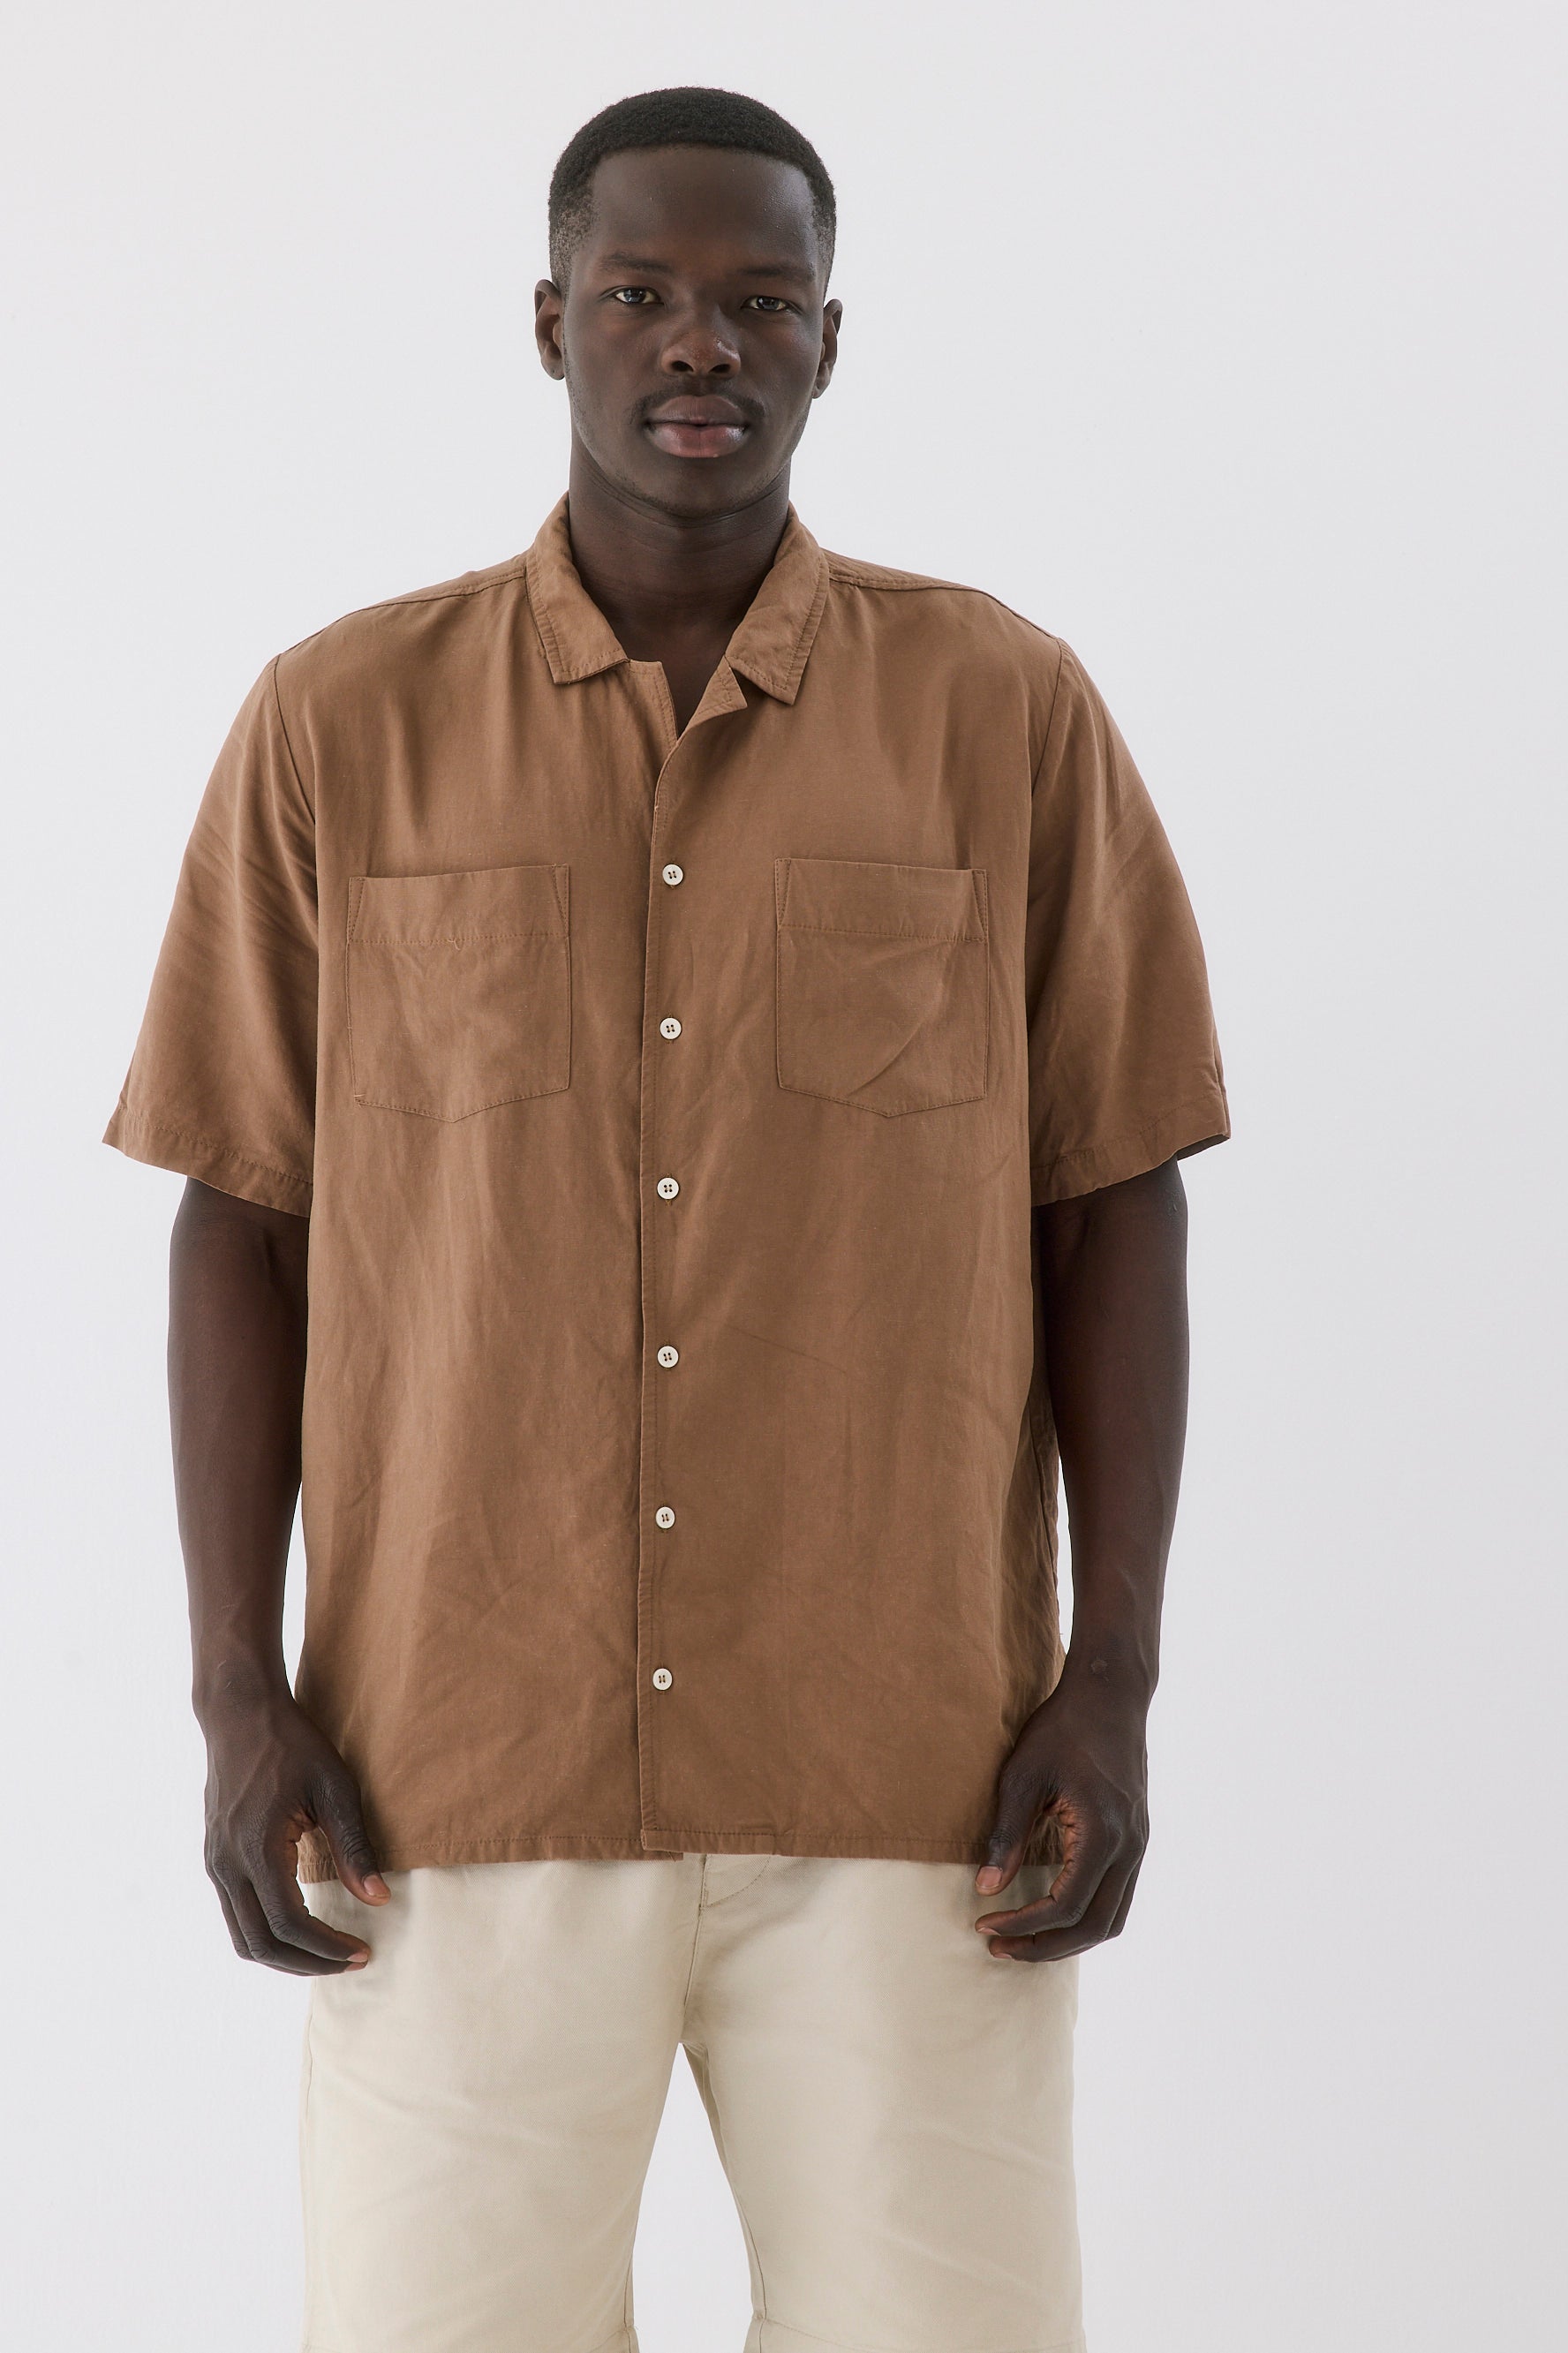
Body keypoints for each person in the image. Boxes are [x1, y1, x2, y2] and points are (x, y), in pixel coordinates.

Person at [107, 84, 1229, 2353]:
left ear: (832, 341)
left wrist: (1110, 1678)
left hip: (912, 1776)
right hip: (451, 1772)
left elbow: (1113, 1196)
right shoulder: (339, 724)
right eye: (640, 292)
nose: (700, 343)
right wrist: (237, 1693)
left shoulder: (1004, 714)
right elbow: (242, 1217)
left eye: (760, 302)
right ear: (551, 322)